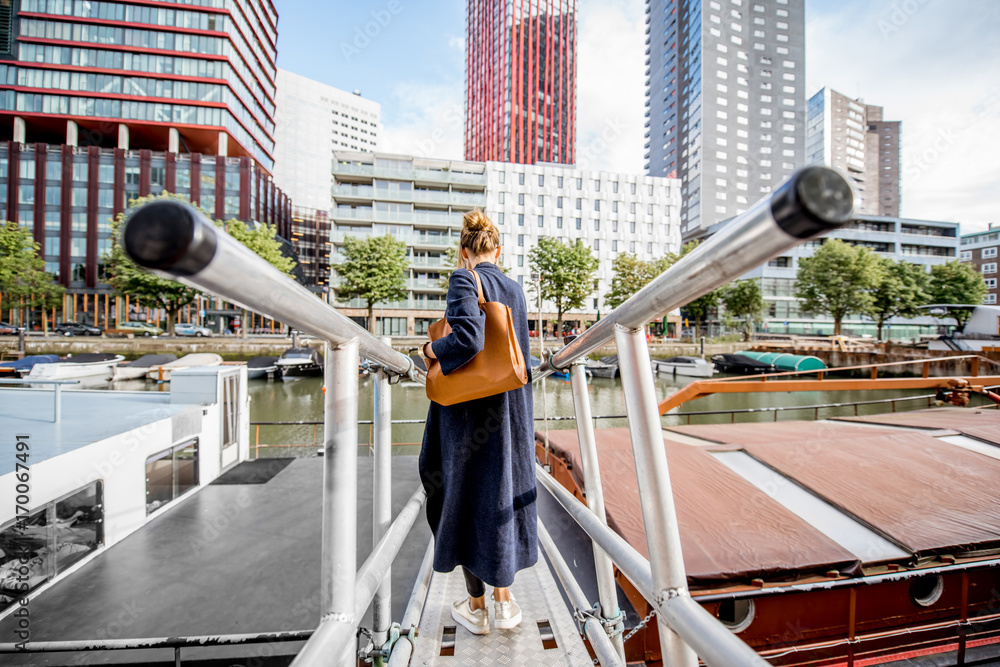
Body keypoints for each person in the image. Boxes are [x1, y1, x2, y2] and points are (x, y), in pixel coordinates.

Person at [419, 210, 537, 636]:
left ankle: (476, 608)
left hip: (469, 415)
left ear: (464, 251)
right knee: (499, 494)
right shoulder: (514, 289)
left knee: (460, 494)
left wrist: (432, 351)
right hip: (509, 415)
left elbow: (467, 338)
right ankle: (505, 604)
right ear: (498, 251)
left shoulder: (463, 278)